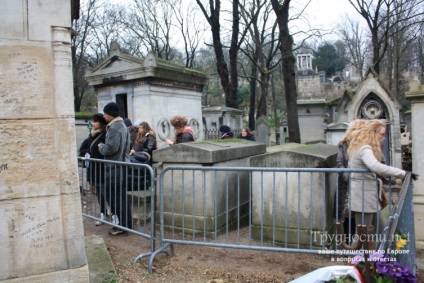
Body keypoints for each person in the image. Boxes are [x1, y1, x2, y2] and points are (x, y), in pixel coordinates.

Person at [347, 119, 418, 246]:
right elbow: (376, 166)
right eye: (382, 134)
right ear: (373, 133)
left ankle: (376, 262)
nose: (383, 138)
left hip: (367, 197)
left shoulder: (361, 146)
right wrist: (402, 173)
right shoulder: (365, 148)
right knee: (361, 235)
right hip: (364, 197)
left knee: (380, 231)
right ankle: (351, 263)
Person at [98, 102, 132, 236]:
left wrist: (101, 147)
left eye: (105, 113)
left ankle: (122, 227)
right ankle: (126, 225)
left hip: (115, 167)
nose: (104, 116)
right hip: (122, 165)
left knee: (115, 198)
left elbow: (111, 148)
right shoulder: (122, 125)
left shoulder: (114, 127)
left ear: (110, 114)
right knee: (121, 197)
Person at [334, 119, 367, 241]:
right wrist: (348, 176)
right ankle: (349, 248)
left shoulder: (367, 146)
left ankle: (362, 249)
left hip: (362, 185)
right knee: (348, 216)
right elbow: (339, 162)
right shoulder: (344, 145)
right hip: (347, 186)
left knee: (362, 217)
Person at [80, 113, 109, 226]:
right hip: (93, 169)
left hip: (101, 169)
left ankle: (111, 213)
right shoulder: (91, 135)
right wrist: (87, 153)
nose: (93, 123)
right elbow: (83, 149)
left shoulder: (105, 135)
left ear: (101, 123)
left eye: (95, 121)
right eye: (92, 121)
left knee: (104, 192)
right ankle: (103, 213)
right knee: (98, 192)